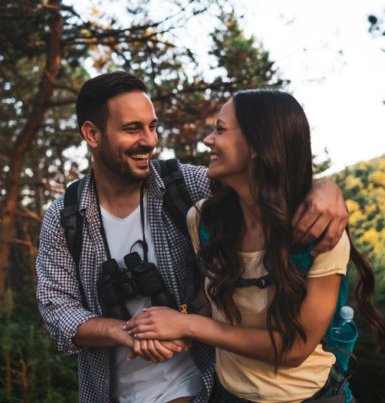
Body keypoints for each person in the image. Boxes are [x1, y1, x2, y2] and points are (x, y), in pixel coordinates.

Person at [36, 73, 350, 403]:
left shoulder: (187, 187)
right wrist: (129, 332)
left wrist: (325, 189)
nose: (149, 140)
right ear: (92, 134)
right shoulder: (65, 216)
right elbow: (57, 309)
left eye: (152, 126)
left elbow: (267, 182)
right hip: (110, 389)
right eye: (132, 129)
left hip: (201, 384)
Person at [124, 90, 385, 402]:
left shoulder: (322, 234)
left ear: (258, 145)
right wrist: (163, 324)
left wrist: (188, 324)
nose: (208, 139)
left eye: (220, 129)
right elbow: (210, 301)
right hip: (226, 394)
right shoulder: (203, 220)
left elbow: (294, 349)